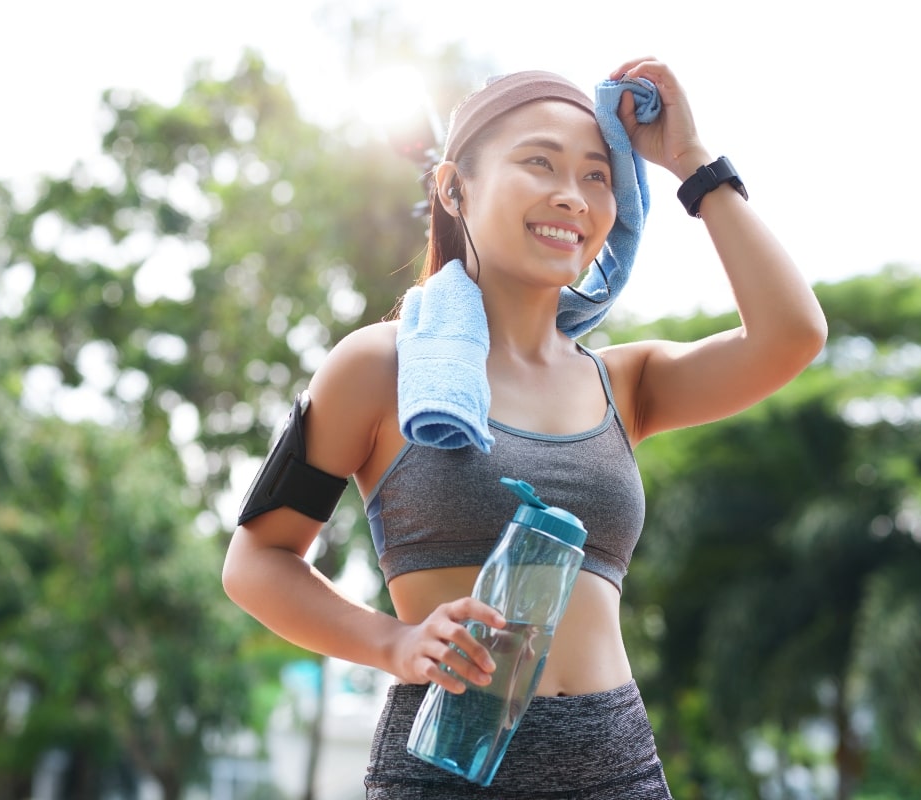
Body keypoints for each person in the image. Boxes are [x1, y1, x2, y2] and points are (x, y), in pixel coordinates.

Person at [222, 56, 827, 798]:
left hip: (618, 771)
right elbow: (257, 559)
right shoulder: (382, 367)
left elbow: (791, 334)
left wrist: (692, 165)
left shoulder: (625, 384)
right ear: (454, 187)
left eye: (597, 175)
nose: (571, 195)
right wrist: (396, 642)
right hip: (444, 769)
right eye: (539, 163)